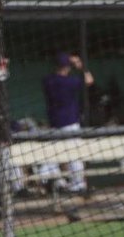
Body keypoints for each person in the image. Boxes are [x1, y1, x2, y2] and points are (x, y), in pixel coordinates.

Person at [39, 51, 93, 193]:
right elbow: (89, 80)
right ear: (67, 67)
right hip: (70, 123)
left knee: (53, 155)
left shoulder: (48, 81)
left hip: (54, 124)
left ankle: (50, 181)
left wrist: (70, 62)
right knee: (74, 156)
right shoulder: (70, 82)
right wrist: (80, 66)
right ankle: (78, 185)